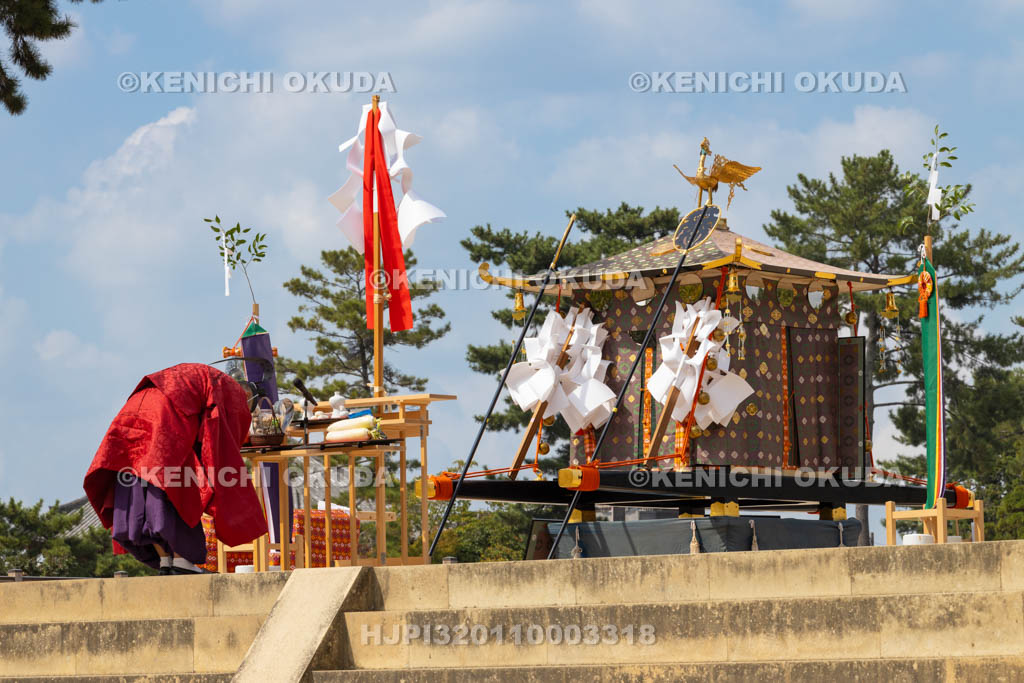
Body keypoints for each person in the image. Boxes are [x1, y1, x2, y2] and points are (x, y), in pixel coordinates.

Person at [84, 363, 267, 574]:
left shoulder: (207, 377)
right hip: (164, 412)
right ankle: (182, 562)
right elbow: (221, 435)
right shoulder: (231, 390)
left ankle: (166, 561)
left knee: (139, 485)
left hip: (135, 411)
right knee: (177, 486)